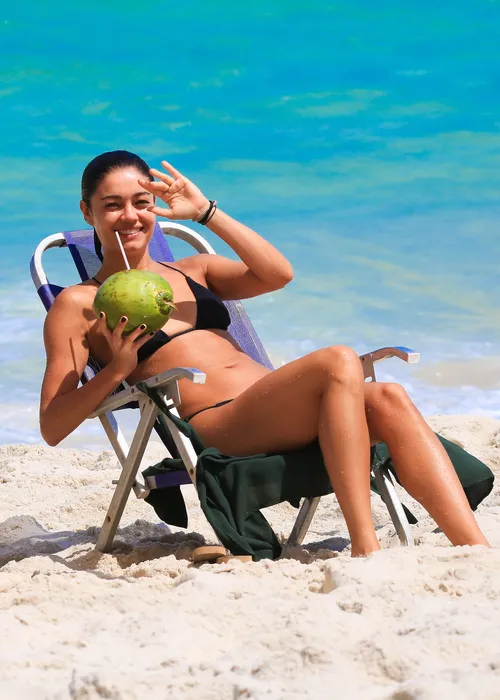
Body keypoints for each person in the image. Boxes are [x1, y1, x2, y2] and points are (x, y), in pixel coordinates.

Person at [39, 150, 490, 557]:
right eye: (112, 205)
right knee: (338, 360)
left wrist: (206, 213)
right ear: (88, 211)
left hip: (279, 409)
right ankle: (365, 546)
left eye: (141, 202)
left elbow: (279, 274)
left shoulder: (193, 269)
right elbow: (53, 425)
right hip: (221, 425)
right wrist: (117, 369)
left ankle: (475, 549)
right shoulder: (79, 303)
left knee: (387, 397)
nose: (130, 217)